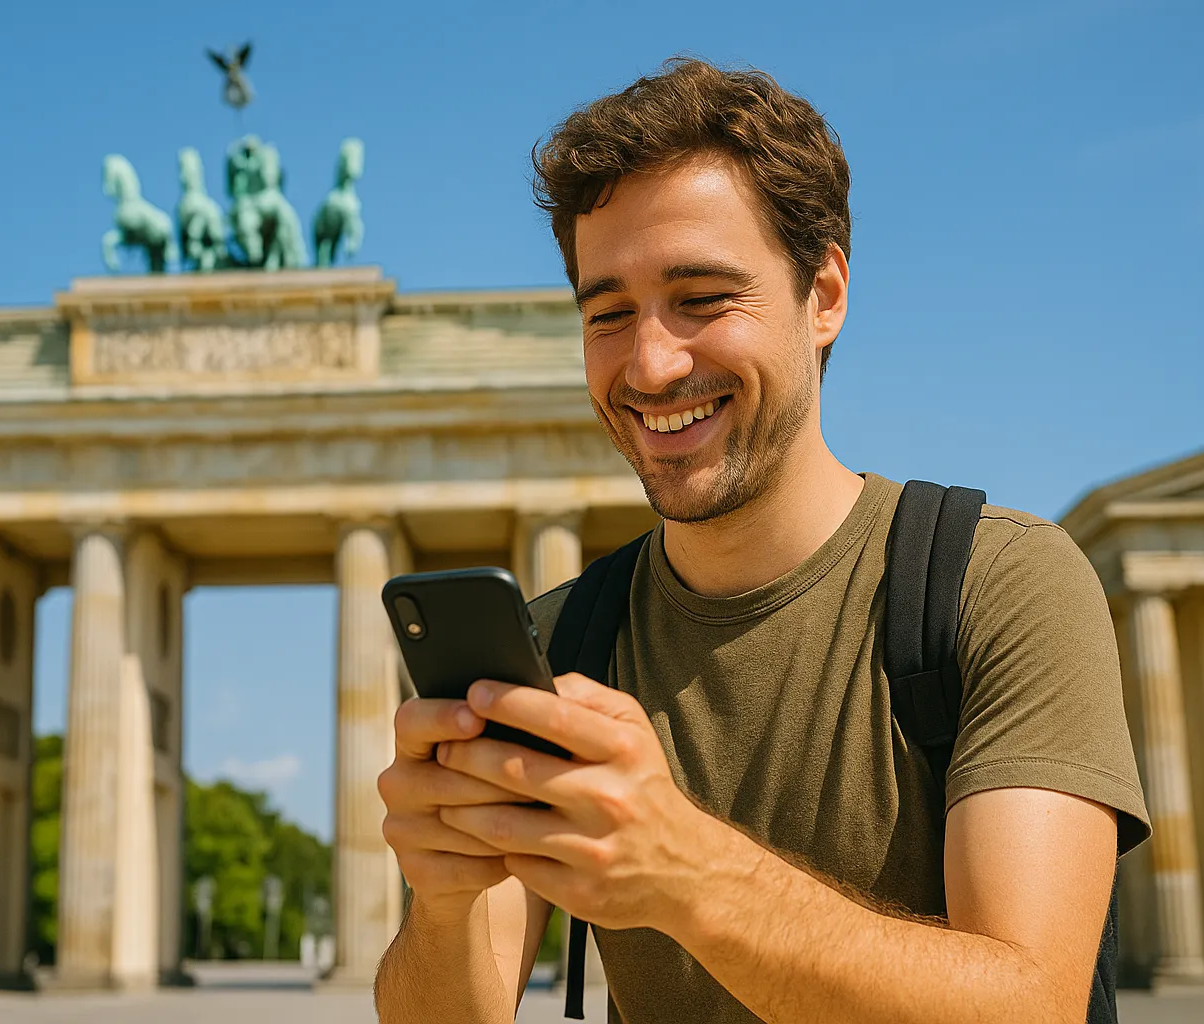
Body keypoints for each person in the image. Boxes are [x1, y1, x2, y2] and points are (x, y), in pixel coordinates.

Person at [374, 57, 1149, 1024]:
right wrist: (442, 904)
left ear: (823, 295)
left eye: (701, 299)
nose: (651, 364)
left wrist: (686, 870)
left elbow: (1032, 1005)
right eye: (607, 313)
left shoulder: (998, 583)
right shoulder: (560, 643)